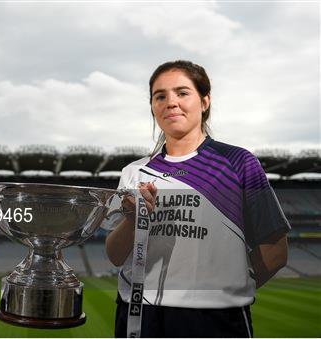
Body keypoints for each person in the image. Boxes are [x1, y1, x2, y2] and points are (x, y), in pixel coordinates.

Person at [105, 60, 290, 337]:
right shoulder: (134, 172)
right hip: (139, 315)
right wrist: (133, 220)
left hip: (216, 319)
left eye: (182, 93)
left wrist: (226, 291)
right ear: (153, 107)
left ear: (204, 101)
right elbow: (115, 255)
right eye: (160, 96)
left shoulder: (239, 162)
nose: (170, 102)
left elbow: (275, 252)